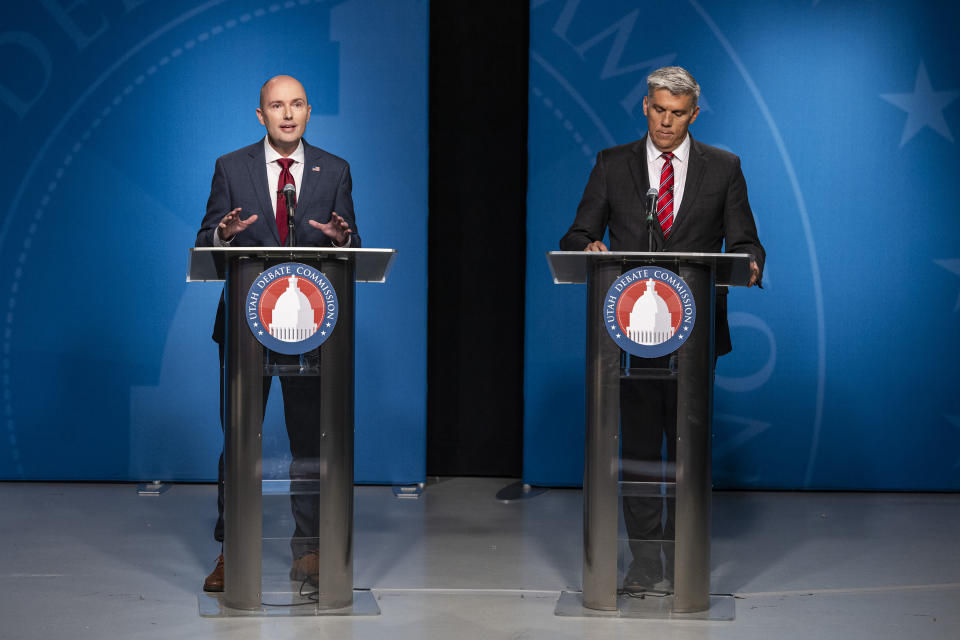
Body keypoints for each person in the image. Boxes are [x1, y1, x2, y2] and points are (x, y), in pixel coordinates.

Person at [559, 66, 765, 592]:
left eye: (677, 114)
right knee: (641, 452)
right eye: (658, 110)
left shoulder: (724, 168)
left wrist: (750, 262)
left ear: (693, 114)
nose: (666, 122)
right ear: (644, 107)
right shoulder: (612, 164)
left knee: (688, 448)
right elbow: (579, 230)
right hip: (630, 338)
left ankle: (684, 554)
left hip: (695, 336)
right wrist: (588, 246)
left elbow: (746, 242)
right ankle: (646, 562)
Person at [195, 75, 360, 592]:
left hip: (310, 330)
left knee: (309, 440)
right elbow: (205, 240)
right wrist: (223, 233)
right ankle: (232, 550)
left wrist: (343, 239)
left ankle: (309, 553)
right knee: (239, 440)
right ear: (260, 114)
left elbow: (355, 243)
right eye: (275, 106)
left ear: (308, 112)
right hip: (244, 329)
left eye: (295, 105)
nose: (286, 114)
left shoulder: (334, 170)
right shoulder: (230, 167)